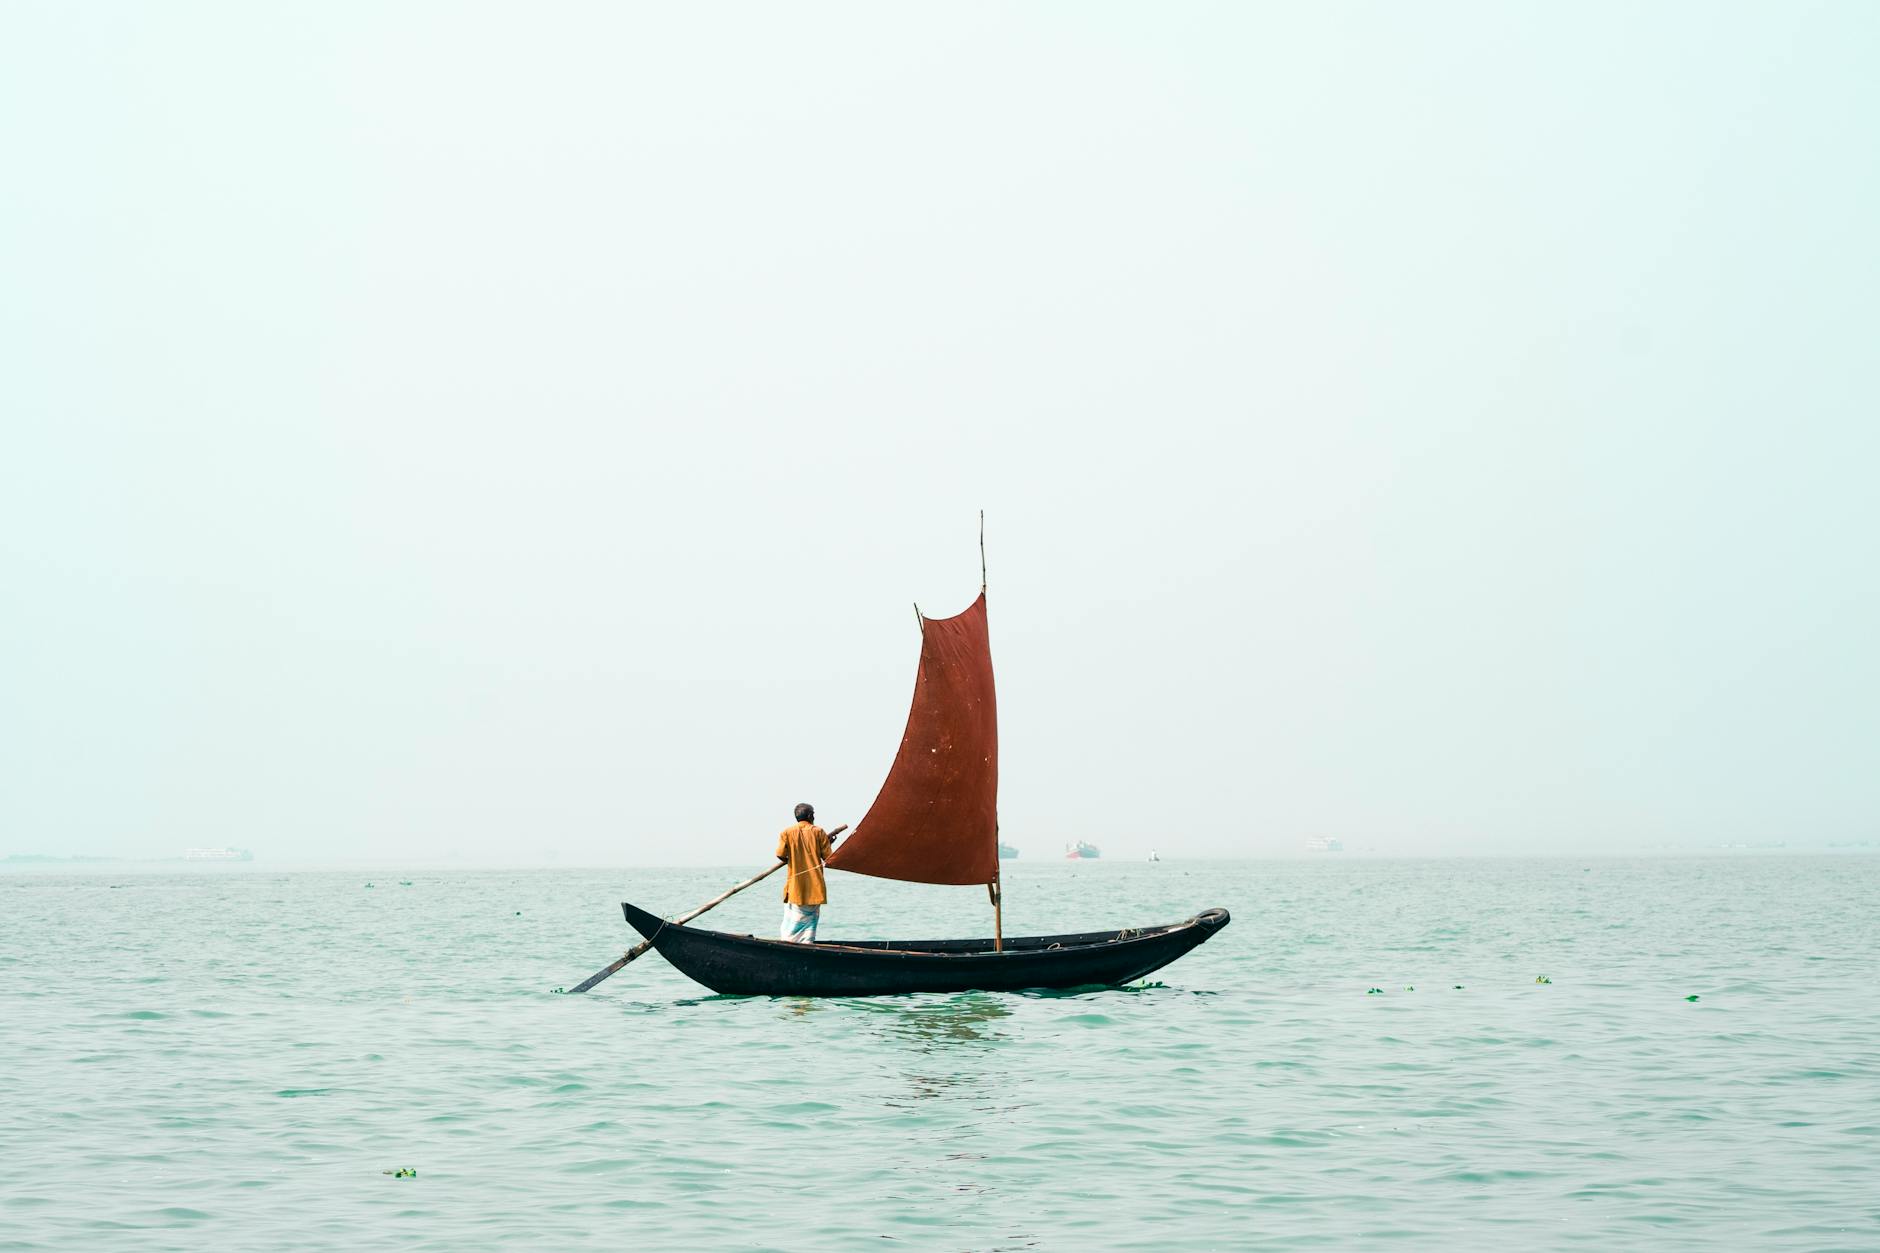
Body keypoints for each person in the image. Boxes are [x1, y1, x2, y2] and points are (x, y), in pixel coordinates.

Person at [775, 802, 834, 943]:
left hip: (795, 887)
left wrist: (792, 860)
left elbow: (780, 854)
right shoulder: (819, 832)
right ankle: (806, 943)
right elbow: (828, 857)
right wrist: (828, 843)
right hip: (814, 887)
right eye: (813, 814)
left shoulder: (786, 833)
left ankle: (789, 943)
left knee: (791, 921)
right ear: (810, 815)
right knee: (809, 923)